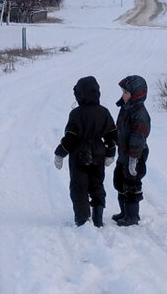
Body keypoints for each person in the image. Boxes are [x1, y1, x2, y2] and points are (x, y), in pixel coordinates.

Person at [53, 76, 117, 227]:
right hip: (99, 153)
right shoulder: (104, 112)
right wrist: (110, 152)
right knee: (97, 184)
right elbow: (112, 134)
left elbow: (71, 137)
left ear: (80, 95)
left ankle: (82, 218)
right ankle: (98, 216)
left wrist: (60, 153)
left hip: (79, 155)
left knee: (79, 185)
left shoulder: (76, 114)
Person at [112, 74, 151, 226]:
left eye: (126, 93)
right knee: (120, 182)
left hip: (136, 154)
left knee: (131, 184)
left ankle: (132, 216)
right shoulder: (126, 108)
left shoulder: (139, 114)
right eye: (122, 92)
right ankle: (124, 212)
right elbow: (121, 129)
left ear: (136, 95)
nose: (123, 95)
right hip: (124, 153)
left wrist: (134, 159)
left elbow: (138, 138)